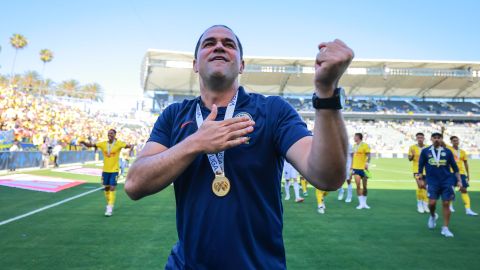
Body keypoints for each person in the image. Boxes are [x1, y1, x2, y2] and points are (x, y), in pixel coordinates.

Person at [125, 25, 352, 269]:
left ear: (241, 65)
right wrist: (195, 143)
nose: (219, 46)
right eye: (209, 43)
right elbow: (134, 184)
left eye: (229, 44)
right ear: (195, 64)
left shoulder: (272, 111)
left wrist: (326, 92)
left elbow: (328, 177)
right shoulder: (174, 115)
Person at [419, 132, 463, 237]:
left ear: (442, 139)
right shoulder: (425, 151)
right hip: (432, 181)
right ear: (431, 139)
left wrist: (459, 180)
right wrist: (420, 179)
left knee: (446, 203)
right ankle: (433, 215)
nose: (437, 139)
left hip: (447, 181)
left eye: (439, 138)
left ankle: (445, 228)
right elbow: (420, 168)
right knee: (432, 203)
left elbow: (455, 168)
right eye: (434, 138)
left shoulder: (447, 152)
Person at [81, 129, 133, 217]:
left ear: (115, 135)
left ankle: (109, 207)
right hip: (105, 170)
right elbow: (91, 145)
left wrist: (131, 148)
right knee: (106, 188)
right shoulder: (103, 144)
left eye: (111, 133)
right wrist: (84, 142)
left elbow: (129, 146)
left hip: (114, 170)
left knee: (112, 188)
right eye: (108, 133)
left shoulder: (119, 143)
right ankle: (109, 203)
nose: (110, 135)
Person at [448, 136, 478, 216]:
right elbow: (441, 142)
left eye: (457, 140)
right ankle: (450, 206)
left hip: (461, 173)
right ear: (451, 142)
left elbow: (465, 163)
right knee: (451, 189)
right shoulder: (448, 149)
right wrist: (442, 131)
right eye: (454, 141)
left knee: (464, 189)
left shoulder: (462, 152)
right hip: (451, 172)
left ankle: (468, 209)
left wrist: (468, 174)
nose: (456, 142)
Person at [408, 132, 429, 213]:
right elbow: (409, 159)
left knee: (425, 187)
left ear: (423, 138)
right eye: (418, 137)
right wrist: (413, 155)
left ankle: (425, 204)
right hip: (416, 170)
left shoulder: (428, 147)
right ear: (416, 138)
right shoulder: (412, 147)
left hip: (427, 170)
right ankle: (419, 204)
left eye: (421, 137)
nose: (420, 139)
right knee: (420, 185)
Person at [351, 133, 371, 209]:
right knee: (358, 185)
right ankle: (361, 203)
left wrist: (367, 163)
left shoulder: (365, 145)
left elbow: (369, 155)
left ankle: (365, 203)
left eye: (355, 136)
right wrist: (351, 167)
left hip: (364, 169)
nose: (354, 138)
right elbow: (353, 157)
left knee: (365, 187)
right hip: (356, 168)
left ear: (359, 137)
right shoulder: (354, 146)